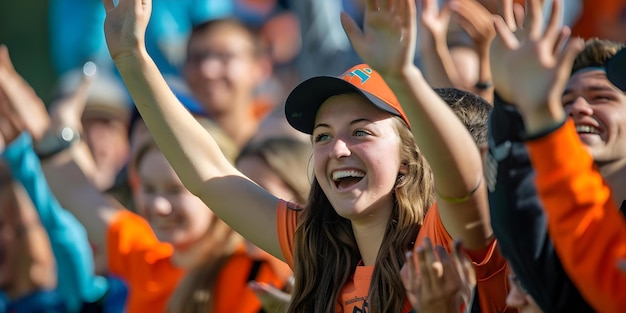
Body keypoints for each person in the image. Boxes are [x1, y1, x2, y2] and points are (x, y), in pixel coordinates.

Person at [102, 0, 511, 312]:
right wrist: (132, 60)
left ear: (408, 157)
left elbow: (464, 181)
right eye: (322, 135)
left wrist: (404, 77)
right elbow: (209, 176)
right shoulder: (318, 249)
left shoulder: (441, 237)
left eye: (361, 132)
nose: (337, 148)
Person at [489, 0, 626, 311]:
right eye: (563, 100)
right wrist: (516, 104)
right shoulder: (567, 231)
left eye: (601, 96)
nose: (577, 108)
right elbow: (523, 226)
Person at [182, 18, 273, 147]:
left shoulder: (286, 139)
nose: (208, 71)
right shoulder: (171, 141)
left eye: (224, 56)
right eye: (196, 58)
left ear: (261, 68)